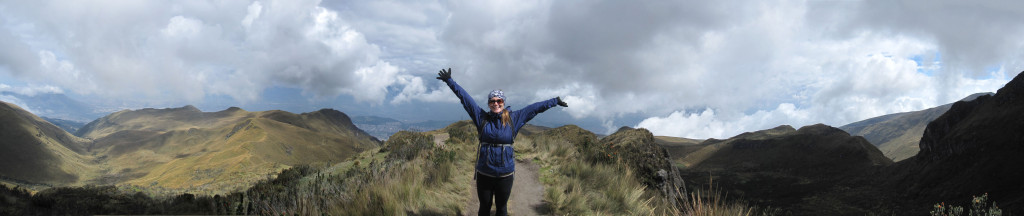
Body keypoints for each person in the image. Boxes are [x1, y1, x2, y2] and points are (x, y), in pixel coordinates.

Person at [437, 68, 567, 216]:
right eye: (492, 101)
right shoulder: (482, 118)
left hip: (505, 174)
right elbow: (466, 100)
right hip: (484, 173)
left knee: (501, 208)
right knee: (484, 208)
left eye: (499, 101)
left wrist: (555, 101)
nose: (496, 103)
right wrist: (449, 81)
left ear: (503, 102)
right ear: (489, 103)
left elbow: (535, 108)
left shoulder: (514, 119)